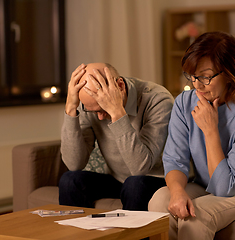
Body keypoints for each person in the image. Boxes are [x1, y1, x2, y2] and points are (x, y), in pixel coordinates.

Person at [148, 31, 235, 240]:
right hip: (207, 188)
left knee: (197, 214)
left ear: (230, 72)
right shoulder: (184, 103)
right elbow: (175, 160)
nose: (197, 85)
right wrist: (177, 192)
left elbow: (224, 187)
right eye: (192, 76)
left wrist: (210, 130)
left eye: (205, 76)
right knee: (159, 200)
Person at [59, 62, 174, 211]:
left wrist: (117, 113)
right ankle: (82, 234)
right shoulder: (89, 105)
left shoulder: (157, 100)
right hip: (119, 180)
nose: (100, 118)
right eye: (94, 112)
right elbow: (74, 164)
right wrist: (70, 108)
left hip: (158, 179)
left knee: (135, 185)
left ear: (120, 86)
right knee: (69, 181)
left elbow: (140, 168)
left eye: (102, 109)